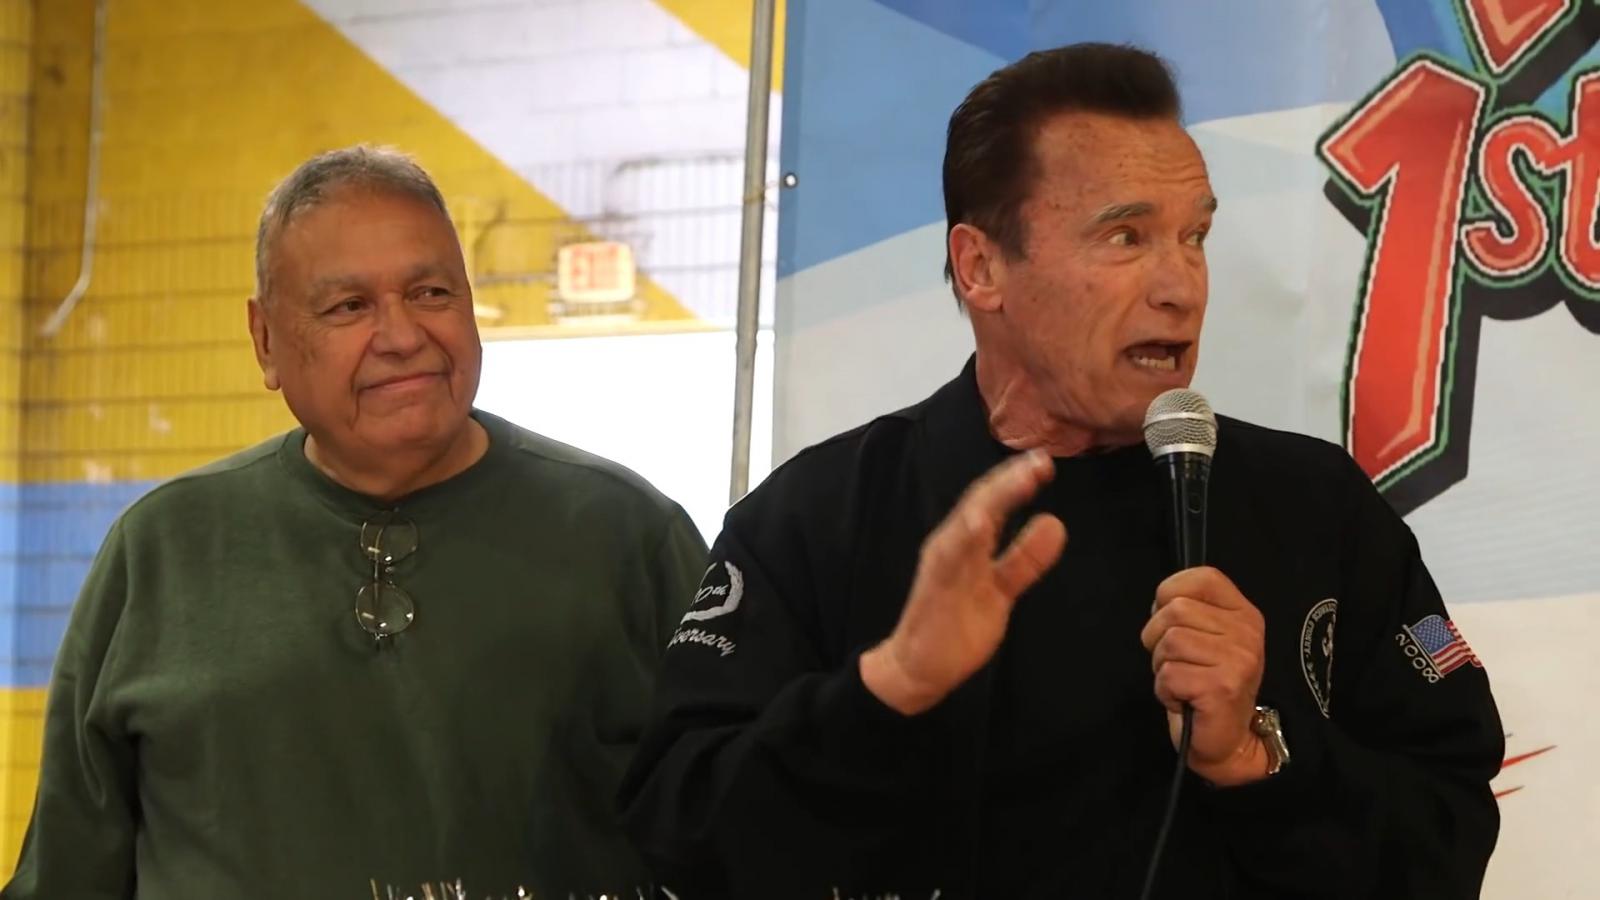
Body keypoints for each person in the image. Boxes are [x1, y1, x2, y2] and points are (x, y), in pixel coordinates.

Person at [618, 44, 1504, 899]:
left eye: (1194, 235)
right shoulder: (818, 517)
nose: (1182, 286)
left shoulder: (1318, 508)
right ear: (981, 267)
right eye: (1126, 236)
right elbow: (682, 834)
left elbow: (1450, 828)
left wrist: (1256, 756)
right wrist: (887, 689)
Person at [3, 146, 707, 899]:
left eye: (431, 292)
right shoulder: (163, 549)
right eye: (349, 306)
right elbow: (70, 868)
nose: (402, 335)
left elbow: (735, 831)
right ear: (265, 340)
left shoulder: (627, 534)